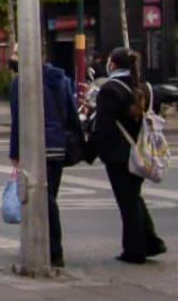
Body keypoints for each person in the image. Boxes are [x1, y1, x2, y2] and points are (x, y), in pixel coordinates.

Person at [90, 47, 168, 264]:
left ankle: (135, 250)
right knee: (134, 196)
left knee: (128, 201)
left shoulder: (110, 89)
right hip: (142, 151)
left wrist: (90, 149)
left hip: (119, 154)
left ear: (113, 64)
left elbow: (103, 127)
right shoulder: (146, 88)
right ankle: (150, 241)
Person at [9, 54, 82, 267]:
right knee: (50, 197)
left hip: (33, 147)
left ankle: (50, 249)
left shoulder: (20, 82)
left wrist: (15, 152)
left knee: (41, 200)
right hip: (57, 146)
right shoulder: (61, 80)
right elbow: (72, 114)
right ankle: (46, 246)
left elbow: (17, 120)